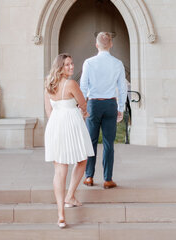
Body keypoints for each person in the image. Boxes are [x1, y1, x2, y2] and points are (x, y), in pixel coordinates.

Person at [44, 53, 94, 228]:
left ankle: (61, 213)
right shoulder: (71, 84)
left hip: (55, 126)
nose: (71, 67)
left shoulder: (49, 85)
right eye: (67, 65)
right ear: (60, 67)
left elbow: (48, 111)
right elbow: (83, 103)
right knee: (81, 160)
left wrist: (56, 123)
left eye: (72, 64)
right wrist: (83, 112)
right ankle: (69, 196)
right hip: (71, 124)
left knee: (60, 169)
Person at [80, 31, 127, 189]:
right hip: (110, 104)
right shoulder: (117, 63)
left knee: (91, 142)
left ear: (96, 45)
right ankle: (108, 179)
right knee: (108, 143)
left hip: (93, 104)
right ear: (111, 44)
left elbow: (83, 86)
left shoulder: (89, 63)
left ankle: (88, 177)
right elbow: (122, 88)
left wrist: (82, 106)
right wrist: (121, 107)